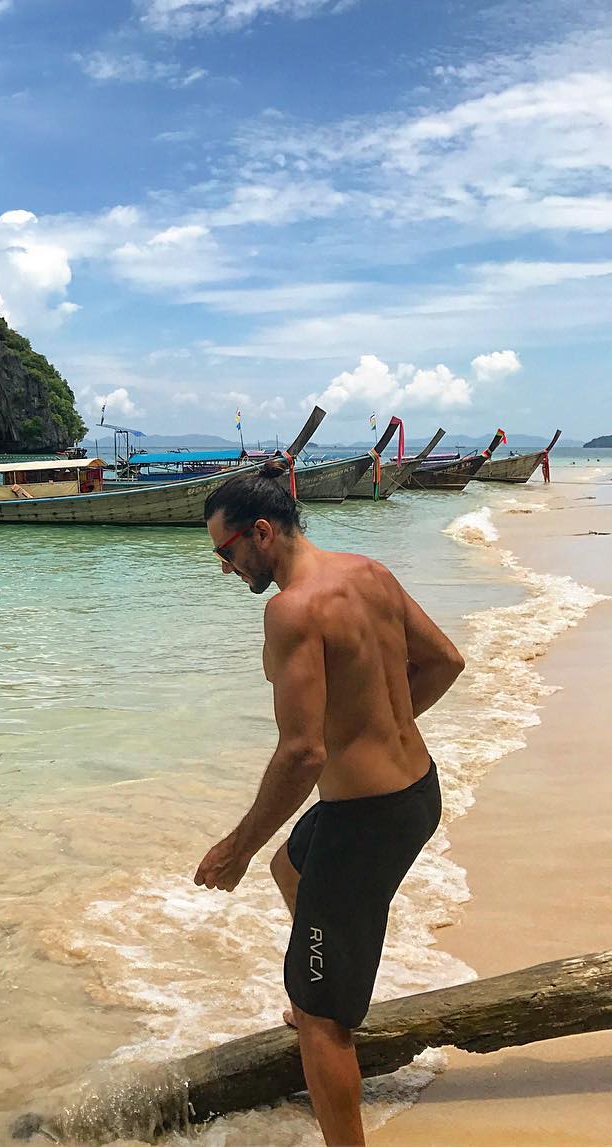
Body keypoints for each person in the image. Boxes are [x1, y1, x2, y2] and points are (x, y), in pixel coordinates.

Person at [194, 472, 464, 1147]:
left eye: (226, 552)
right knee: (293, 864)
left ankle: (322, 1014)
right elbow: (445, 662)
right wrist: (377, 726)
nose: (225, 569)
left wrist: (235, 847)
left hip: (368, 819)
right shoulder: (369, 573)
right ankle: (319, 987)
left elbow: (301, 755)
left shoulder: (292, 610)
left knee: (323, 1021)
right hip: (417, 791)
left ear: (262, 532)